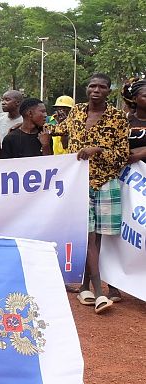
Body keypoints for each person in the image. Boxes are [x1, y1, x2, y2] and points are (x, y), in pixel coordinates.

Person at [54, 73, 130, 313]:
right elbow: (58, 130)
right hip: (78, 183)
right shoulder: (76, 112)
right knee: (87, 236)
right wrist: (34, 127)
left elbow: (123, 154)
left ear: (109, 91)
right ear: (87, 89)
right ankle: (99, 292)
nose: (96, 90)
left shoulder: (118, 118)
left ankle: (85, 286)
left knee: (99, 236)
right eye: (92, 86)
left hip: (106, 182)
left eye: (102, 87)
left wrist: (98, 149)